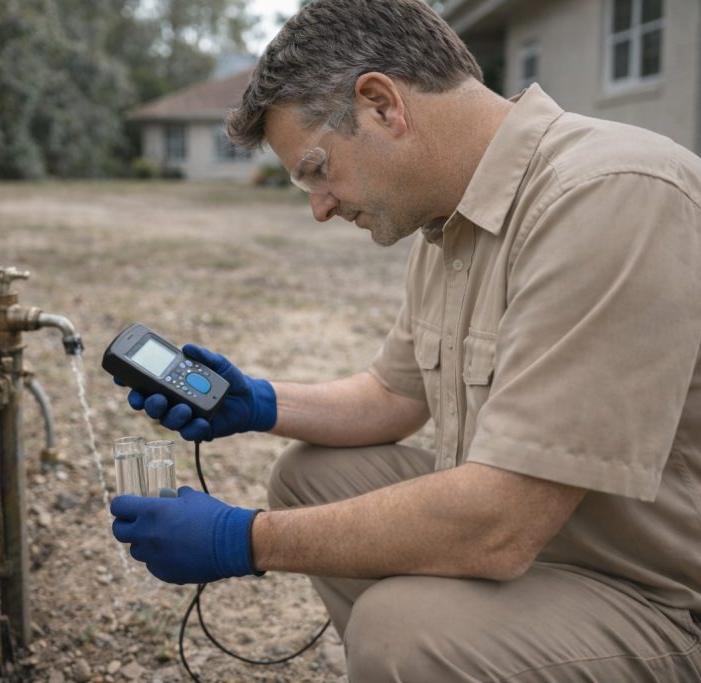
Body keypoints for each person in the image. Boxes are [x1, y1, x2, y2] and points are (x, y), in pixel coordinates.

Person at [109, 0, 701, 679]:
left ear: (381, 105)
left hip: (659, 598)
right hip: (547, 556)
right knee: (312, 476)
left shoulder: (607, 196)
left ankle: (430, 654)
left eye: (316, 169)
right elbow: (394, 394)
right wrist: (256, 402)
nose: (319, 206)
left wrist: (242, 538)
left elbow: (500, 522)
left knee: (403, 633)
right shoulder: (450, 219)